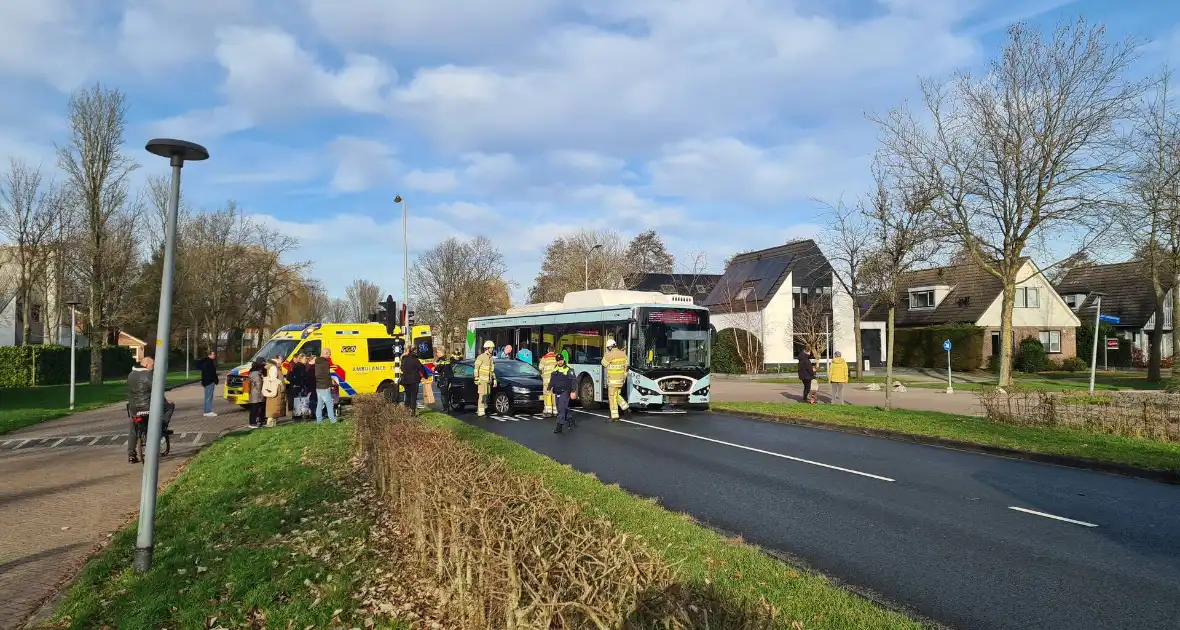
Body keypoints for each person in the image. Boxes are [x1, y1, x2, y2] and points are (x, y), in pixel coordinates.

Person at [126, 356, 175, 463]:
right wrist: (165, 396)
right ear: (147, 365)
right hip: (148, 407)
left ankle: (131, 455)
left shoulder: (131, 375)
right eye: (152, 365)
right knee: (170, 406)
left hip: (133, 408)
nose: (153, 367)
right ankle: (162, 428)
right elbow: (156, 389)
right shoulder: (148, 375)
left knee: (133, 430)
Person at [601, 338, 630, 421]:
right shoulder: (623, 354)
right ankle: (626, 408)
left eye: (608, 347)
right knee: (617, 396)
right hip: (621, 380)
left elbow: (603, 363)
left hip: (613, 381)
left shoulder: (609, 355)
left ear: (610, 347)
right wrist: (624, 377)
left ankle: (614, 416)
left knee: (612, 397)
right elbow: (627, 367)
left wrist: (606, 355)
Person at [549, 352, 577, 433]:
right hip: (557, 391)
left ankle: (559, 426)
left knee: (561, 408)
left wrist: (573, 391)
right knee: (560, 408)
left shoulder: (568, 369)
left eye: (561, 360)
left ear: (563, 360)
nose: (560, 362)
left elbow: (574, 381)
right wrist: (548, 388)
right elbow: (552, 380)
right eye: (558, 361)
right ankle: (569, 419)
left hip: (565, 391)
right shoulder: (555, 368)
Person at [474, 340, 497, 417]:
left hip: (488, 381)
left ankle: (483, 409)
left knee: (486, 395)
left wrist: (494, 380)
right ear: (487, 348)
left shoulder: (491, 358)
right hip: (482, 380)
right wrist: (476, 378)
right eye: (491, 348)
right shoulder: (481, 357)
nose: (492, 349)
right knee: (482, 395)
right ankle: (481, 412)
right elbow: (476, 368)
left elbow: (492, 370)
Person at [314, 348, 337, 424]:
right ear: (326, 353)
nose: (330, 355)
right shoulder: (325, 362)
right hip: (324, 386)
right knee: (329, 403)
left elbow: (318, 374)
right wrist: (330, 384)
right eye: (329, 354)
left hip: (319, 386)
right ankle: (333, 420)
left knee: (320, 404)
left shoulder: (317, 362)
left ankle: (319, 420)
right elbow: (327, 375)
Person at [263, 355, 287, 427]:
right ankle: (270, 423)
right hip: (275, 390)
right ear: (277, 359)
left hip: (275, 389)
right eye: (281, 359)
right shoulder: (273, 367)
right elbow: (273, 378)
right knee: (273, 406)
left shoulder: (274, 367)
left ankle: (273, 423)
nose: (282, 361)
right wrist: (280, 383)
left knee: (274, 406)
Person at [400, 348, 425, 414]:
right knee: (413, 396)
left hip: (405, 380)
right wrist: (426, 376)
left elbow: (401, 368)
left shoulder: (404, 359)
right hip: (414, 380)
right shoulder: (415, 360)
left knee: (407, 395)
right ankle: (412, 412)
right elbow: (421, 368)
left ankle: (406, 410)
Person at [195, 350, 219, 417]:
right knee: (209, 397)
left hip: (206, 382)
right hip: (209, 382)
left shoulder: (206, 362)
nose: (214, 355)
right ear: (209, 355)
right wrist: (215, 380)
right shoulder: (209, 363)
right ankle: (208, 411)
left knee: (207, 397)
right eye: (213, 354)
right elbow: (211, 373)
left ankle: (206, 411)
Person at [538, 345, 558, 416]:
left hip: (547, 380)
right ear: (554, 350)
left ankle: (548, 411)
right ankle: (555, 411)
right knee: (554, 394)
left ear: (548, 350)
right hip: (555, 380)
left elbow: (540, 367)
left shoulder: (544, 358)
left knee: (547, 394)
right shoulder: (556, 357)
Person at [247, 359, 266, 427]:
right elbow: (258, 385)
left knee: (254, 409)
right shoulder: (256, 374)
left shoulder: (252, 373)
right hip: (257, 395)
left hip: (253, 394)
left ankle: (254, 422)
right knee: (255, 409)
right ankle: (253, 423)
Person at [302, 353, 318, 419]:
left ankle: (313, 413)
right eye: (315, 359)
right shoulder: (308, 367)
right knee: (311, 400)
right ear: (312, 360)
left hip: (314, 385)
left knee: (314, 399)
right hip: (310, 386)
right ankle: (312, 413)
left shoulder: (314, 366)